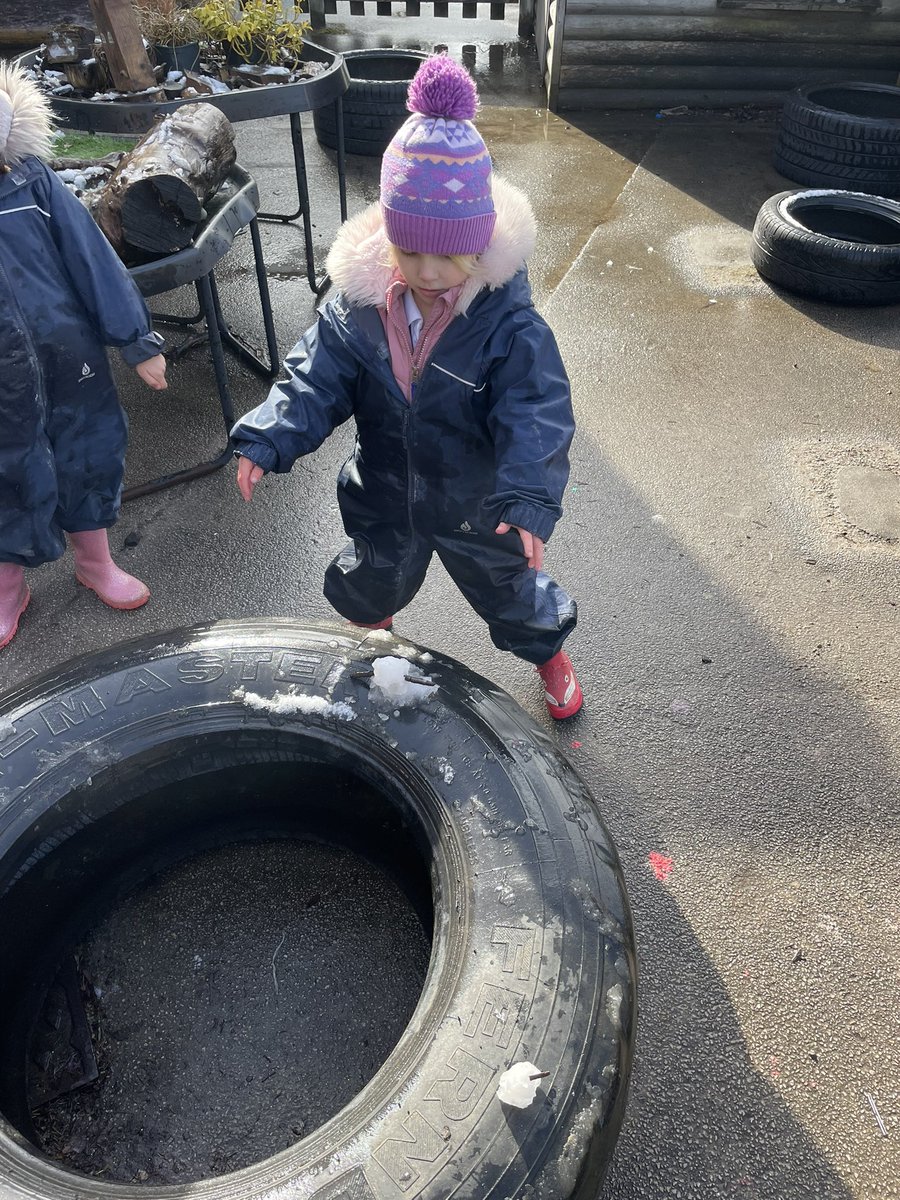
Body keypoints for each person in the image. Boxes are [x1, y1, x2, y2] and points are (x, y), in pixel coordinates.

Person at [232, 54, 582, 718]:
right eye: (410, 249)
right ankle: (371, 636)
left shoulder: (507, 325)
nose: (427, 271)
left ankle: (548, 653)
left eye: (448, 254)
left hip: (479, 500)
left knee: (509, 590)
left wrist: (530, 495)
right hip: (387, 487)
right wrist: (271, 433)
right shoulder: (357, 307)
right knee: (373, 573)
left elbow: (537, 410)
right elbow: (314, 377)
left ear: (479, 242)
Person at [0, 61, 168, 651]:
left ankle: (95, 562)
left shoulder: (34, 187)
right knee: (5, 472)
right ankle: (7, 587)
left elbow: (93, 260)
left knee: (88, 453)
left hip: (71, 361)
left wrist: (136, 340)